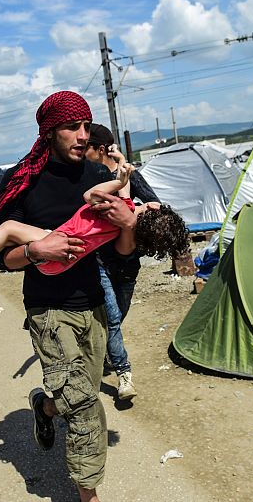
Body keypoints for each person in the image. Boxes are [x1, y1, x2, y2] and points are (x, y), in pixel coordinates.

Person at [0, 91, 138, 502]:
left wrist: (127, 225)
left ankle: (46, 408)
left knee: (74, 396)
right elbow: (3, 258)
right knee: (86, 406)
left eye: (86, 126)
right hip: (47, 308)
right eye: (73, 127)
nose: (81, 135)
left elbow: (121, 253)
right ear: (50, 130)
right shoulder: (23, 180)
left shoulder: (94, 178)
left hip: (91, 304)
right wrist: (38, 251)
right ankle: (87, 495)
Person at [0, 152, 186, 276]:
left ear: (154, 206)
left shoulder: (121, 212)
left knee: (9, 228)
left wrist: (118, 183)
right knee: (10, 238)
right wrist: (122, 170)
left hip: (58, 240)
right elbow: (126, 198)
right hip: (62, 260)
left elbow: (90, 196)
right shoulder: (125, 222)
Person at [85, 123, 162, 401]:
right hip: (99, 260)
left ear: (101, 149)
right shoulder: (88, 178)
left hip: (128, 260)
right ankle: (124, 374)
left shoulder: (129, 175)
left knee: (119, 314)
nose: (82, 152)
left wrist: (138, 211)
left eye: (87, 148)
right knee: (113, 317)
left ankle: (107, 353)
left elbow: (156, 204)